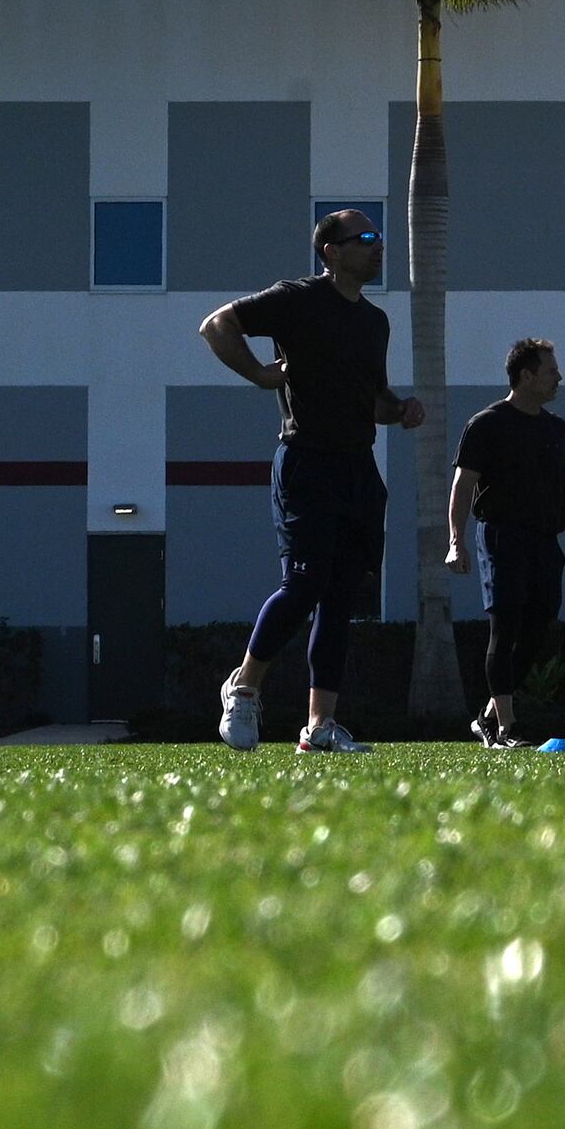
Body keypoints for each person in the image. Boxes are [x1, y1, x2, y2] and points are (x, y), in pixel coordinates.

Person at [196, 208, 427, 755]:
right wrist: (257, 374)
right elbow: (216, 325)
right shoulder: (296, 299)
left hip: (358, 469)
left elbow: (375, 400)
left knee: (340, 598)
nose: (378, 247)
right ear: (331, 251)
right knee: (303, 585)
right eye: (365, 239)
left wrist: (402, 410)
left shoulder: (375, 321)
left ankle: (319, 725)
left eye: (379, 238)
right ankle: (245, 685)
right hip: (307, 463)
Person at [442, 338, 565, 748]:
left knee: (535, 630)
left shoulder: (556, 428)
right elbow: (463, 487)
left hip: (545, 542)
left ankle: (488, 717)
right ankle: (508, 729)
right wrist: (455, 541)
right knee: (506, 625)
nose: (559, 378)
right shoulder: (487, 423)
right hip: (501, 535)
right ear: (526, 376)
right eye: (551, 371)